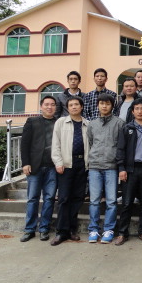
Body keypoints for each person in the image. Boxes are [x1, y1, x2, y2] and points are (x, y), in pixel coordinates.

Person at [114, 98, 142, 246]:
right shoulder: (127, 129)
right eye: (137, 108)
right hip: (130, 169)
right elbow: (120, 149)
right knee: (127, 203)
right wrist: (121, 168)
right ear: (132, 112)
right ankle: (122, 233)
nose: (140, 111)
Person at [50, 96, 89, 245]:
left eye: (76, 104)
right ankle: (61, 232)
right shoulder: (61, 122)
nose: (74, 107)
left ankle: (72, 229)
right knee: (64, 198)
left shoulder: (87, 124)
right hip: (66, 164)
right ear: (67, 108)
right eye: (71, 105)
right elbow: (55, 144)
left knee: (78, 198)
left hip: (82, 164)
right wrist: (58, 162)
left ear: (81, 107)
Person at [19, 96, 58, 242]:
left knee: (49, 198)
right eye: (46, 104)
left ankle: (44, 228)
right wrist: (25, 163)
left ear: (55, 107)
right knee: (33, 198)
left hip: (52, 167)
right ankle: (29, 229)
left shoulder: (59, 122)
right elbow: (24, 144)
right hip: (35, 166)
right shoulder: (32, 121)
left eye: (52, 104)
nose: (49, 107)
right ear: (41, 106)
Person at [86, 93, 123, 244]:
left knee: (111, 201)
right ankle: (93, 229)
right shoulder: (92, 124)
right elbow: (90, 142)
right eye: (102, 103)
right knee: (94, 201)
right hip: (94, 166)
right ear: (98, 105)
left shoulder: (119, 123)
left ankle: (109, 229)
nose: (104, 106)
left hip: (111, 166)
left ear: (112, 106)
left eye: (107, 104)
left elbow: (121, 145)